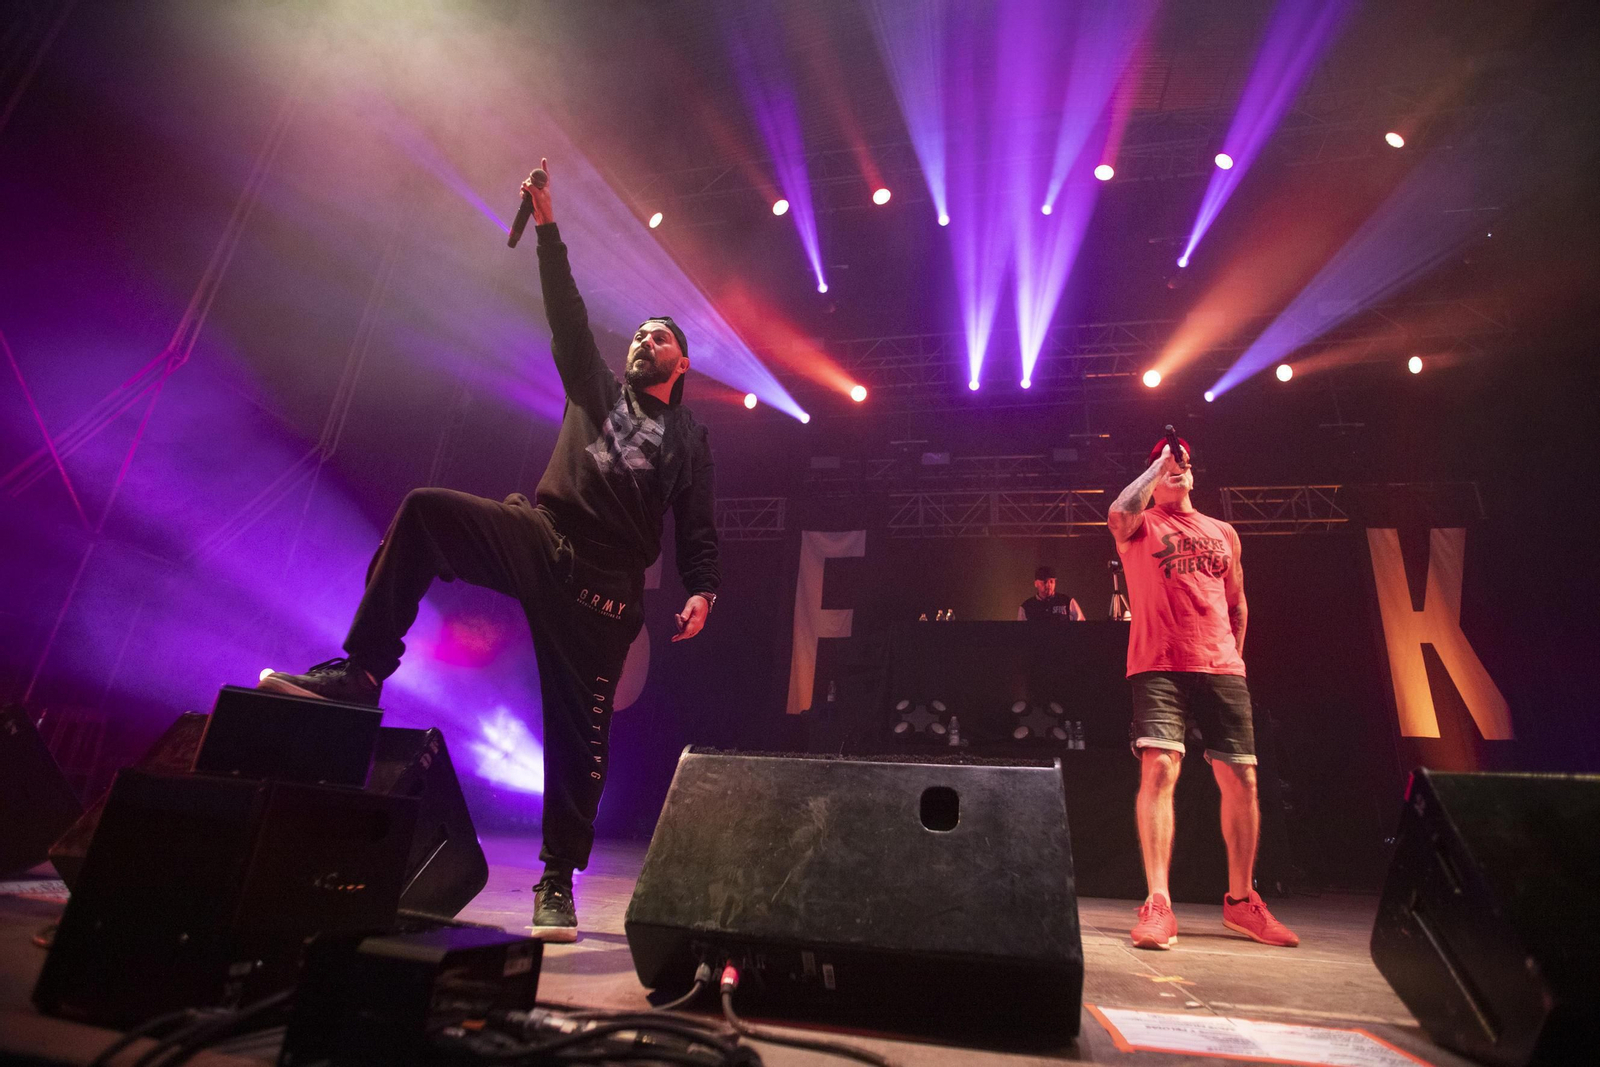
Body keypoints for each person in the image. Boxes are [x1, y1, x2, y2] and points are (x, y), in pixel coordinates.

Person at [256, 158, 720, 942]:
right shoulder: (596, 386)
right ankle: (363, 671)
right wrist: (549, 227)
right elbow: (567, 312)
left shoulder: (690, 439)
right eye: (640, 332)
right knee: (425, 512)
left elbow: (699, 525)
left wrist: (703, 588)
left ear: (682, 363)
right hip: (544, 536)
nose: (645, 338)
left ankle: (556, 879)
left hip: (606, 590)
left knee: (581, 742)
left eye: (661, 336)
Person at [1107, 435, 1297, 950]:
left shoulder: (1223, 532)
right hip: (1158, 664)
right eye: (1167, 462)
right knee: (1160, 768)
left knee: (1243, 777)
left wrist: (1233, 659)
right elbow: (1119, 510)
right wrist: (1158, 466)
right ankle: (1158, 902)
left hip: (1221, 666)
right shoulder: (1139, 524)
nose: (1178, 465)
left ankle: (1242, 901)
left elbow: (1238, 604)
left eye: (1183, 461)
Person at [1017, 565, 1084, 621]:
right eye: (1045, 582)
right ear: (1036, 583)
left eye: (1051, 581)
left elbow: (1081, 623)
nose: (1048, 585)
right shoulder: (1026, 607)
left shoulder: (1067, 601)